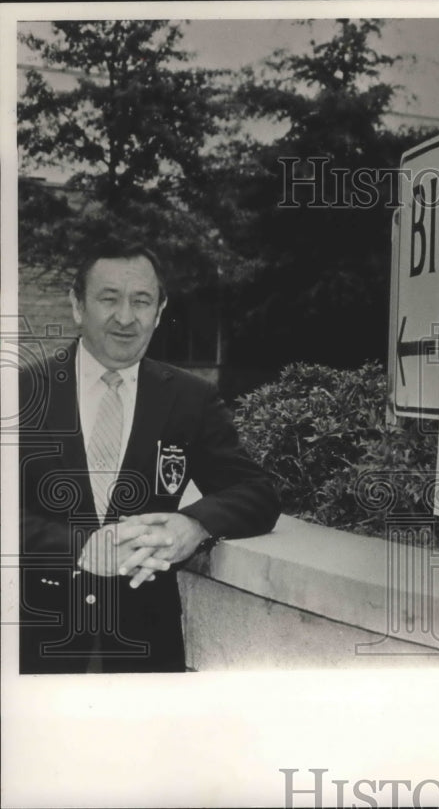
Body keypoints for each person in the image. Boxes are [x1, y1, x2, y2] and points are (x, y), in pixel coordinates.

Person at [19, 241, 281, 673]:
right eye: (108, 299)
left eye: (141, 301)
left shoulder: (189, 399)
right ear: (77, 305)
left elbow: (257, 492)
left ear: (159, 312)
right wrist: (80, 549)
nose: (125, 317)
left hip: (146, 649)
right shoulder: (22, 393)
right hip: (33, 645)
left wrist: (194, 524)